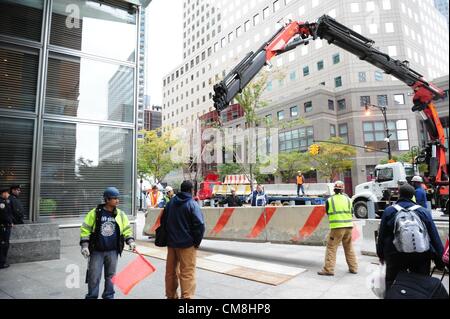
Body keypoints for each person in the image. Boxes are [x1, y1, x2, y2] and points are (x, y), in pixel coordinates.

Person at [376, 184, 444, 290]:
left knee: (393, 283)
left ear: (399, 194)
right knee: (421, 283)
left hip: (395, 255)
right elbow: (434, 236)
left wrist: (381, 254)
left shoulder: (389, 211)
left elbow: (382, 236)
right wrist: (440, 258)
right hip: (421, 255)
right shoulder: (423, 212)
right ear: (413, 195)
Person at [79, 187, 136, 299]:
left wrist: (130, 241)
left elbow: (126, 230)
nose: (117, 201)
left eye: (117, 198)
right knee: (94, 276)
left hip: (113, 251)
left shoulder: (120, 214)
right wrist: (85, 246)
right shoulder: (95, 213)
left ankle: (109, 296)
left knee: (111, 276)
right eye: (115, 198)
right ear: (107, 200)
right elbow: (85, 230)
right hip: (96, 251)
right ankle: (92, 296)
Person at [162, 180, 205, 299]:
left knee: (170, 272)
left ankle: (171, 295)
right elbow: (200, 225)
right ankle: (187, 297)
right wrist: (196, 242)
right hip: (187, 245)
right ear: (191, 190)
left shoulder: (170, 203)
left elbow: (164, 221)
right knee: (187, 272)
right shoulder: (192, 203)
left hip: (172, 244)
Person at [318, 181, 358, 276]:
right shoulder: (349, 199)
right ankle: (354, 268)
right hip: (348, 226)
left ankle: (328, 269)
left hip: (337, 227)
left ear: (334, 190)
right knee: (349, 247)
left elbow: (328, 212)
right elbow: (351, 212)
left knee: (331, 247)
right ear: (342, 189)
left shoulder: (330, 200)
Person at [0, 187, 13, 269]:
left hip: (4, 226)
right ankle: (1, 263)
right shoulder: (1, 203)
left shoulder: (4, 201)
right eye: (7, 193)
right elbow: (4, 215)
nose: (8, 194)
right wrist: (10, 222)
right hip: (3, 226)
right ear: (3, 193)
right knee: (3, 245)